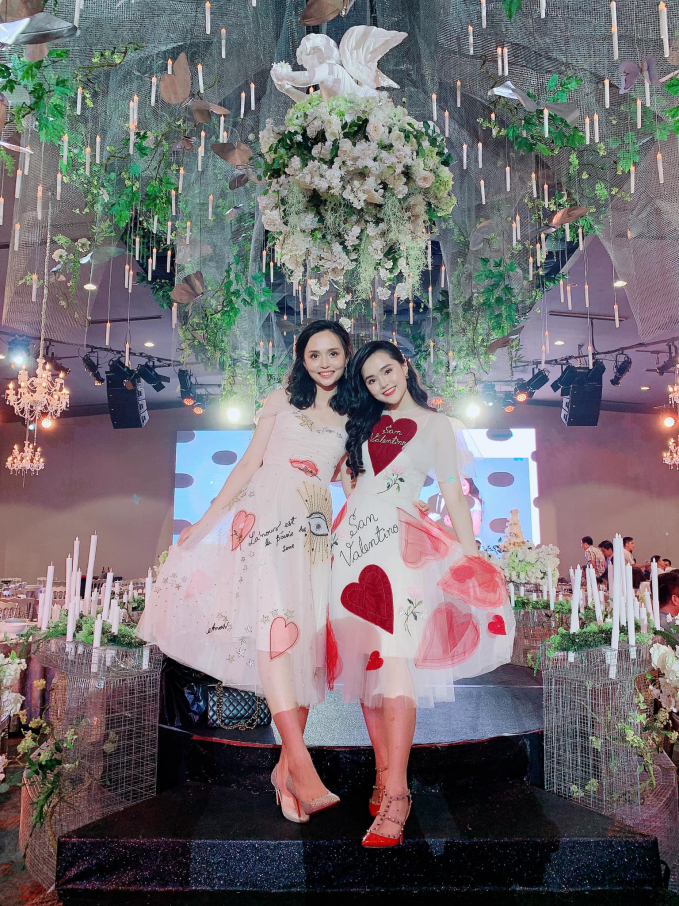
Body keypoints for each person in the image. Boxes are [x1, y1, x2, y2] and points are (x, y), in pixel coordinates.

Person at [139, 320, 352, 823]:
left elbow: (351, 480)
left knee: (304, 642)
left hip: (313, 528)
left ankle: (284, 773)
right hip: (265, 519)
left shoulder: (352, 414)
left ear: (347, 355)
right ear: (301, 358)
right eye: (314, 354)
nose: (323, 363)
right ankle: (301, 764)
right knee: (273, 627)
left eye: (333, 353)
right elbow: (248, 464)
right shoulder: (281, 401)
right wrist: (205, 521)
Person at [329, 341, 513, 848]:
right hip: (352, 546)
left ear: (405, 366)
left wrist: (471, 556)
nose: (382, 384)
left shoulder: (436, 426)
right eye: (370, 379)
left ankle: (397, 793)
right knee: (366, 665)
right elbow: (353, 484)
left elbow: (453, 492)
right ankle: (381, 774)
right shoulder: (362, 425)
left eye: (387, 370)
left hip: (400, 548)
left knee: (394, 662)